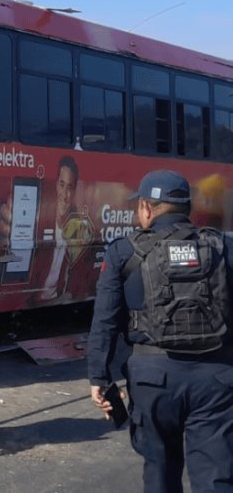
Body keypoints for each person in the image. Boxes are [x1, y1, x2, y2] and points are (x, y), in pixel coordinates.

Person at [88, 170, 233, 493]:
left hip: (152, 380)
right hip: (217, 379)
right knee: (216, 475)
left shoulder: (123, 252)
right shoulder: (223, 247)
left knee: (159, 470)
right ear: (187, 208)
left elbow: (105, 321)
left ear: (146, 208)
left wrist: (99, 379)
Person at [40, 155, 95, 300]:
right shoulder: (41, 218)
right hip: (32, 300)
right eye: (61, 184)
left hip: (56, 299)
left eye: (70, 187)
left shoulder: (77, 226)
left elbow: (81, 271)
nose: (64, 195)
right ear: (56, 184)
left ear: (75, 191)